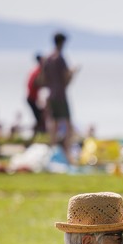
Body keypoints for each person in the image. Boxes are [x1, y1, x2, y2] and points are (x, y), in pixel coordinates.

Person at [43, 32, 77, 163]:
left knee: (54, 124)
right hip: (61, 95)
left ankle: (53, 151)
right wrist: (73, 73)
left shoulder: (47, 58)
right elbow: (66, 79)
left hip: (50, 94)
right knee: (67, 124)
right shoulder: (60, 58)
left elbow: (43, 79)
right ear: (62, 42)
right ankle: (68, 154)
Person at [26, 54, 46, 141]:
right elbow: (35, 84)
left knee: (40, 118)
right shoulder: (38, 71)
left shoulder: (37, 70)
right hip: (31, 98)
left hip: (33, 98)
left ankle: (35, 138)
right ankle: (35, 139)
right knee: (39, 119)